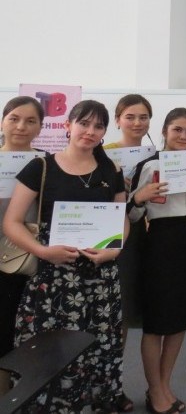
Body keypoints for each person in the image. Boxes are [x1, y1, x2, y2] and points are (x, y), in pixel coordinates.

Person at [5, 100, 128, 412]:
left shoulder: (111, 169)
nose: (90, 131)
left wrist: (114, 249)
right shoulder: (41, 167)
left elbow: (122, 220)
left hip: (100, 278)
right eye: (83, 123)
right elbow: (12, 222)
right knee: (52, 349)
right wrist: (43, 252)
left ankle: (95, 400)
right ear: (67, 126)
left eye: (98, 126)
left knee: (99, 344)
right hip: (54, 276)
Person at [128, 108, 186, 414]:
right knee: (157, 324)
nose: (183, 136)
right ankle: (154, 389)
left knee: (180, 320)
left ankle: (165, 385)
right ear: (165, 130)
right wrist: (140, 197)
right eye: (177, 129)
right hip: (158, 244)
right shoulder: (149, 165)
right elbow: (133, 215)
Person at [103, 93, 155, 412]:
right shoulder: (103, 154)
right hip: (113, 236)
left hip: (145, 237)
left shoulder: (156, 154)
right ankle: (102, 384)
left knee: (126, 313)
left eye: (143, 117)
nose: (137, 123)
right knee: (111, 314)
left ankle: (113, 384)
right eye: (130, 116)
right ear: (118, 119)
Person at [0, 97, 44, 389]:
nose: (21, 126)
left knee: (28, 329)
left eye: (30, 121)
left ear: (40, 127)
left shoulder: (48, 163)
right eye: (14, 118)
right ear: (2, 122)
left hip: (29, 257)